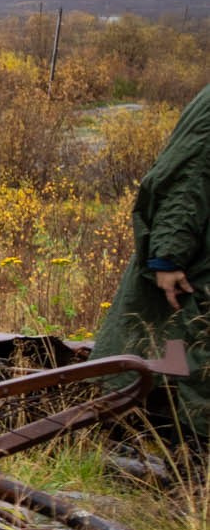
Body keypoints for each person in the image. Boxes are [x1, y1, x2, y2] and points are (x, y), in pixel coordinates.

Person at [95, 82, 210, 432]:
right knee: (191, 358)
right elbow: (186, 179)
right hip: (195, 265)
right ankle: (190, 468)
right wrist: (169, 256)